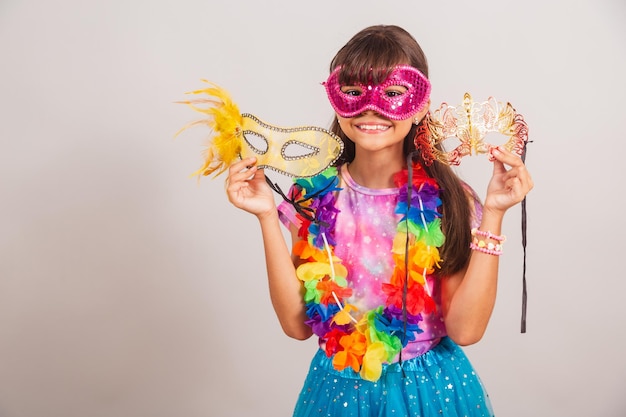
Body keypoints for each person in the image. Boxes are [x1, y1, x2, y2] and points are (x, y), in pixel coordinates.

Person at [225, 24, 533, 417]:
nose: (372, 109)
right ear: (337, 100)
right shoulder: (315, 197)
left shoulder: (447, 200)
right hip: (339, 391)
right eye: (354, 92)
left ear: (420, 105)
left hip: (430, 393)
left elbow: (466, 331)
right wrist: (268, 215)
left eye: (392, 93)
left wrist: (494, 212)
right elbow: (297, 325)